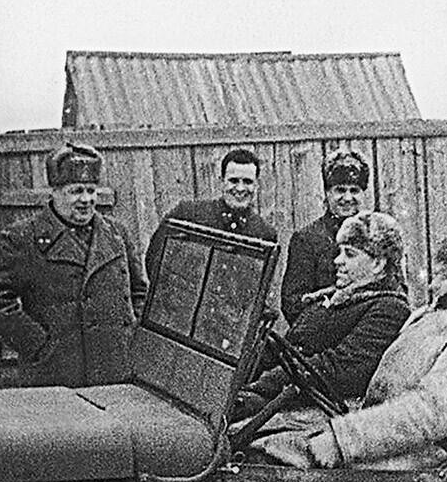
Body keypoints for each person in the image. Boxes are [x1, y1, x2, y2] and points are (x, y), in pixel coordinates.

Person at [257, 232, 447, 470]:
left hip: (412, 456)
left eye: (443, 277)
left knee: (267, 456)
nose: (432, 285)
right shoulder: (433, 324)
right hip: (383, 437)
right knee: (258, 433)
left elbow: (429, 413)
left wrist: (342, 439)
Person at [0, 142, 148, 387]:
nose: (86, 199)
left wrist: (133, 339)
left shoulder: (117, 233)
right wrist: (39, 346)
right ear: (55, 192)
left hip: (117, 373)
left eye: (91, 190)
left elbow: (138, 292)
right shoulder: (24, 238)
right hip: (57, 376)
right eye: (76, 190)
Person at [235, 212, 410, 417]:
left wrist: (264, 385)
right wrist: (241, 363)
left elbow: (339, 369)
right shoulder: (333, 299)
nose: (338, 260)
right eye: (340, 252)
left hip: (328, 411)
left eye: (350, 254)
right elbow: (289, 347)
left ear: (378, 263)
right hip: (291, 394)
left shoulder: (389, 309)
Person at [145, 146, 278, 282]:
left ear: (257, 185)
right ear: (221, 181)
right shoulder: (187, 214)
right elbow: (155, 264)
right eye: (233, 181)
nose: (240, 188)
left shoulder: (264, 233)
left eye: (248, 182)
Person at [280, 150, 371, 325]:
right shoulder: (307, 239)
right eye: (340, 190)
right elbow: (292, 304)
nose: (347, 198)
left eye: (355, 190)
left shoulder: (374, 235)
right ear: (327, 193)